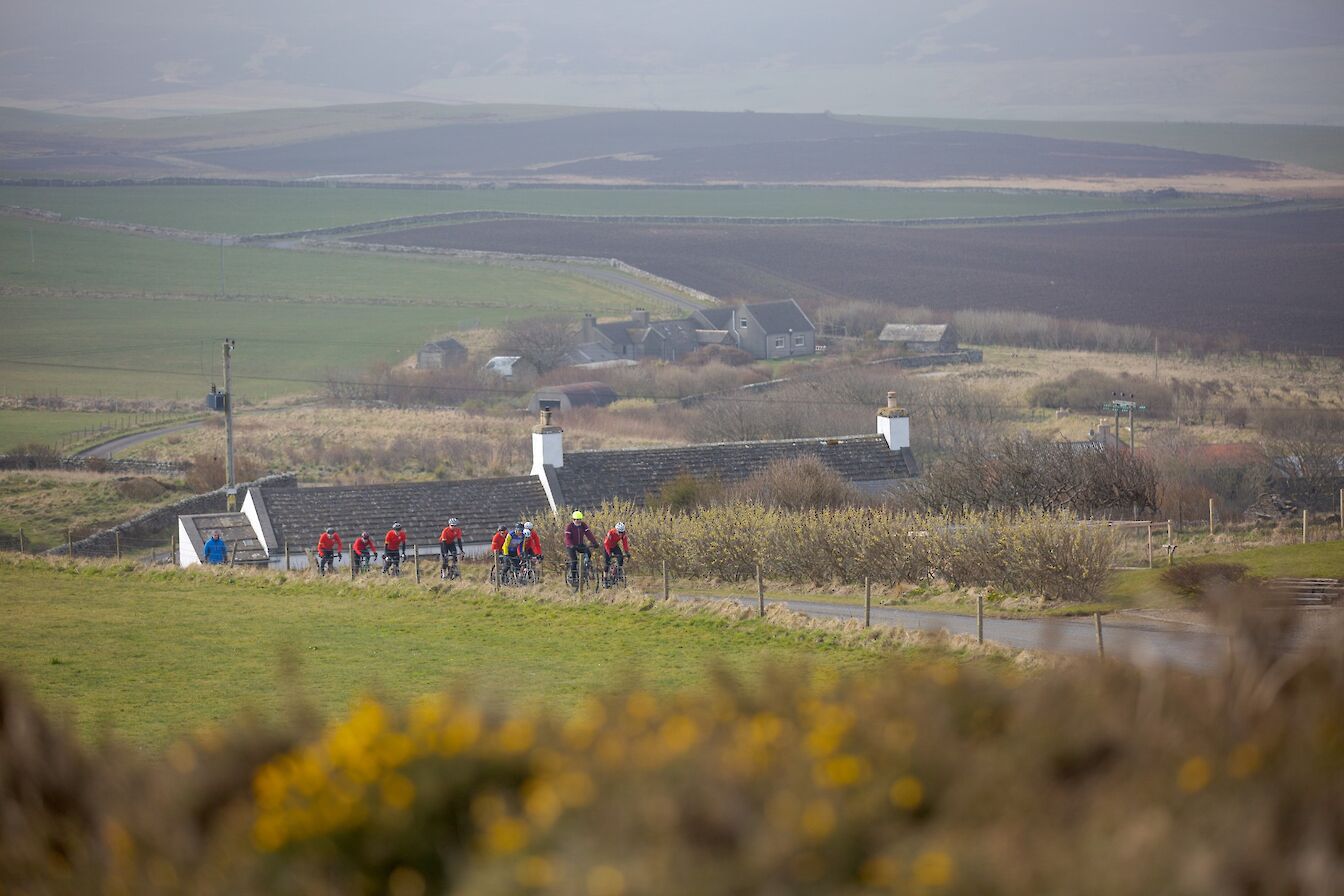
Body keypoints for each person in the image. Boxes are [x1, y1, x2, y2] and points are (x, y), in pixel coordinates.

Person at [564, 510, 600, 583]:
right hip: (571, 546)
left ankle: (584, 569)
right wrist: (571, 545)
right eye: (576, 520)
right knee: (574, 561)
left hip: (580, 544)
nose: (578, 521)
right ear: (573, 519)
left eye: (579, 519)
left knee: (588, 553)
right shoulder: (569, 526)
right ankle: (574, 578)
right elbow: (567, 538)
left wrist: (594, 543)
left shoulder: (583, 525)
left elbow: (588, 534)